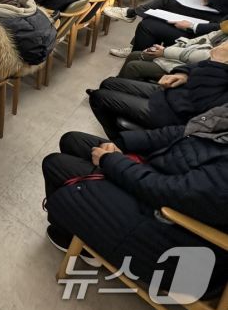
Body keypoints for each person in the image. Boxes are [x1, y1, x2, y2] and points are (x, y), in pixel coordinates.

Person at [42, 113, 228, 295]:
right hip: (160, 175)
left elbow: (170, 192)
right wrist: (122, 144)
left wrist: (110, 161)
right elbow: (183, 131)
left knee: (54, 164)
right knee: (72, 141)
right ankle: (76, 229)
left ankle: (75, 236)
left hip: (173, 233)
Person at [87, 40, 228, 140]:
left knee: (99, 97)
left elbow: (204, 103)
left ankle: (120, 143)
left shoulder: (220, 64)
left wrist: (217, 64)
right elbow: (199, 64)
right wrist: (183, 73)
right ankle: (125, 129)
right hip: (177, 93)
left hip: (181, 115)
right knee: (109, 83)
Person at [104, 0, 228, 56]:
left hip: (213, 35)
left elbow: (221, 29)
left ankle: (138, 56)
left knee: (147, 24)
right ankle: (137, 44)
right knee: (166, 2)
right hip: (219, 17)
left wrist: (193, 26)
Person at [117, 21, 228, 81]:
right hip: (187, 55)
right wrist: (170, 49)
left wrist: (165, 52)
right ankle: (116, 84)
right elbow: (205, 38)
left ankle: (117, 91)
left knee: (134, 66)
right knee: (135, 55)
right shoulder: (225, 29)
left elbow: (205, 57)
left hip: (196, 69)